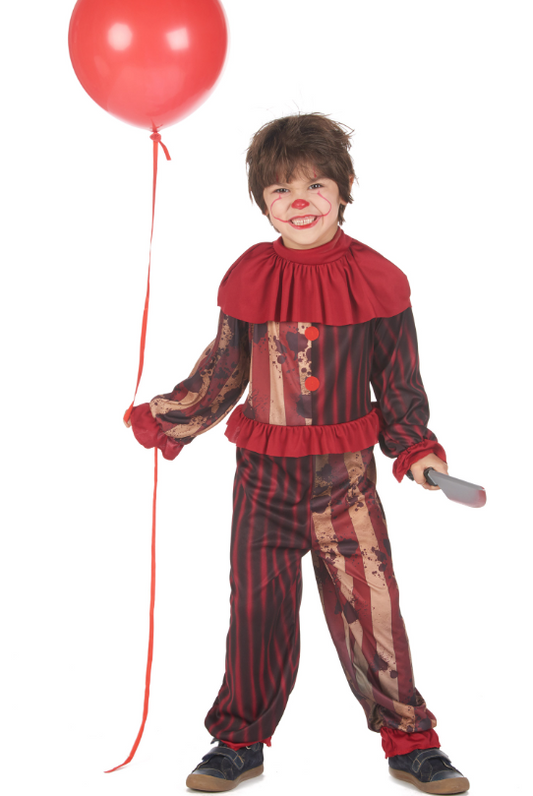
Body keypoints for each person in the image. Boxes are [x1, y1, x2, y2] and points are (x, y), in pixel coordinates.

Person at [128, 113, 470, 794]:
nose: (300, 201)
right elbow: (224, 369)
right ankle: (238, 742)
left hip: (347, 483)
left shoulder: (377, 279)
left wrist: (416, 450)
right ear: (262, 202)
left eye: (316, 184)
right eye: (281, 189)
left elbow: (399, 382)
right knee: (256, 614)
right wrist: (168, 417)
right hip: (263, 483)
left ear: (344, 188)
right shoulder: (250, 276)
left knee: (374, 609)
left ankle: (410, 741)